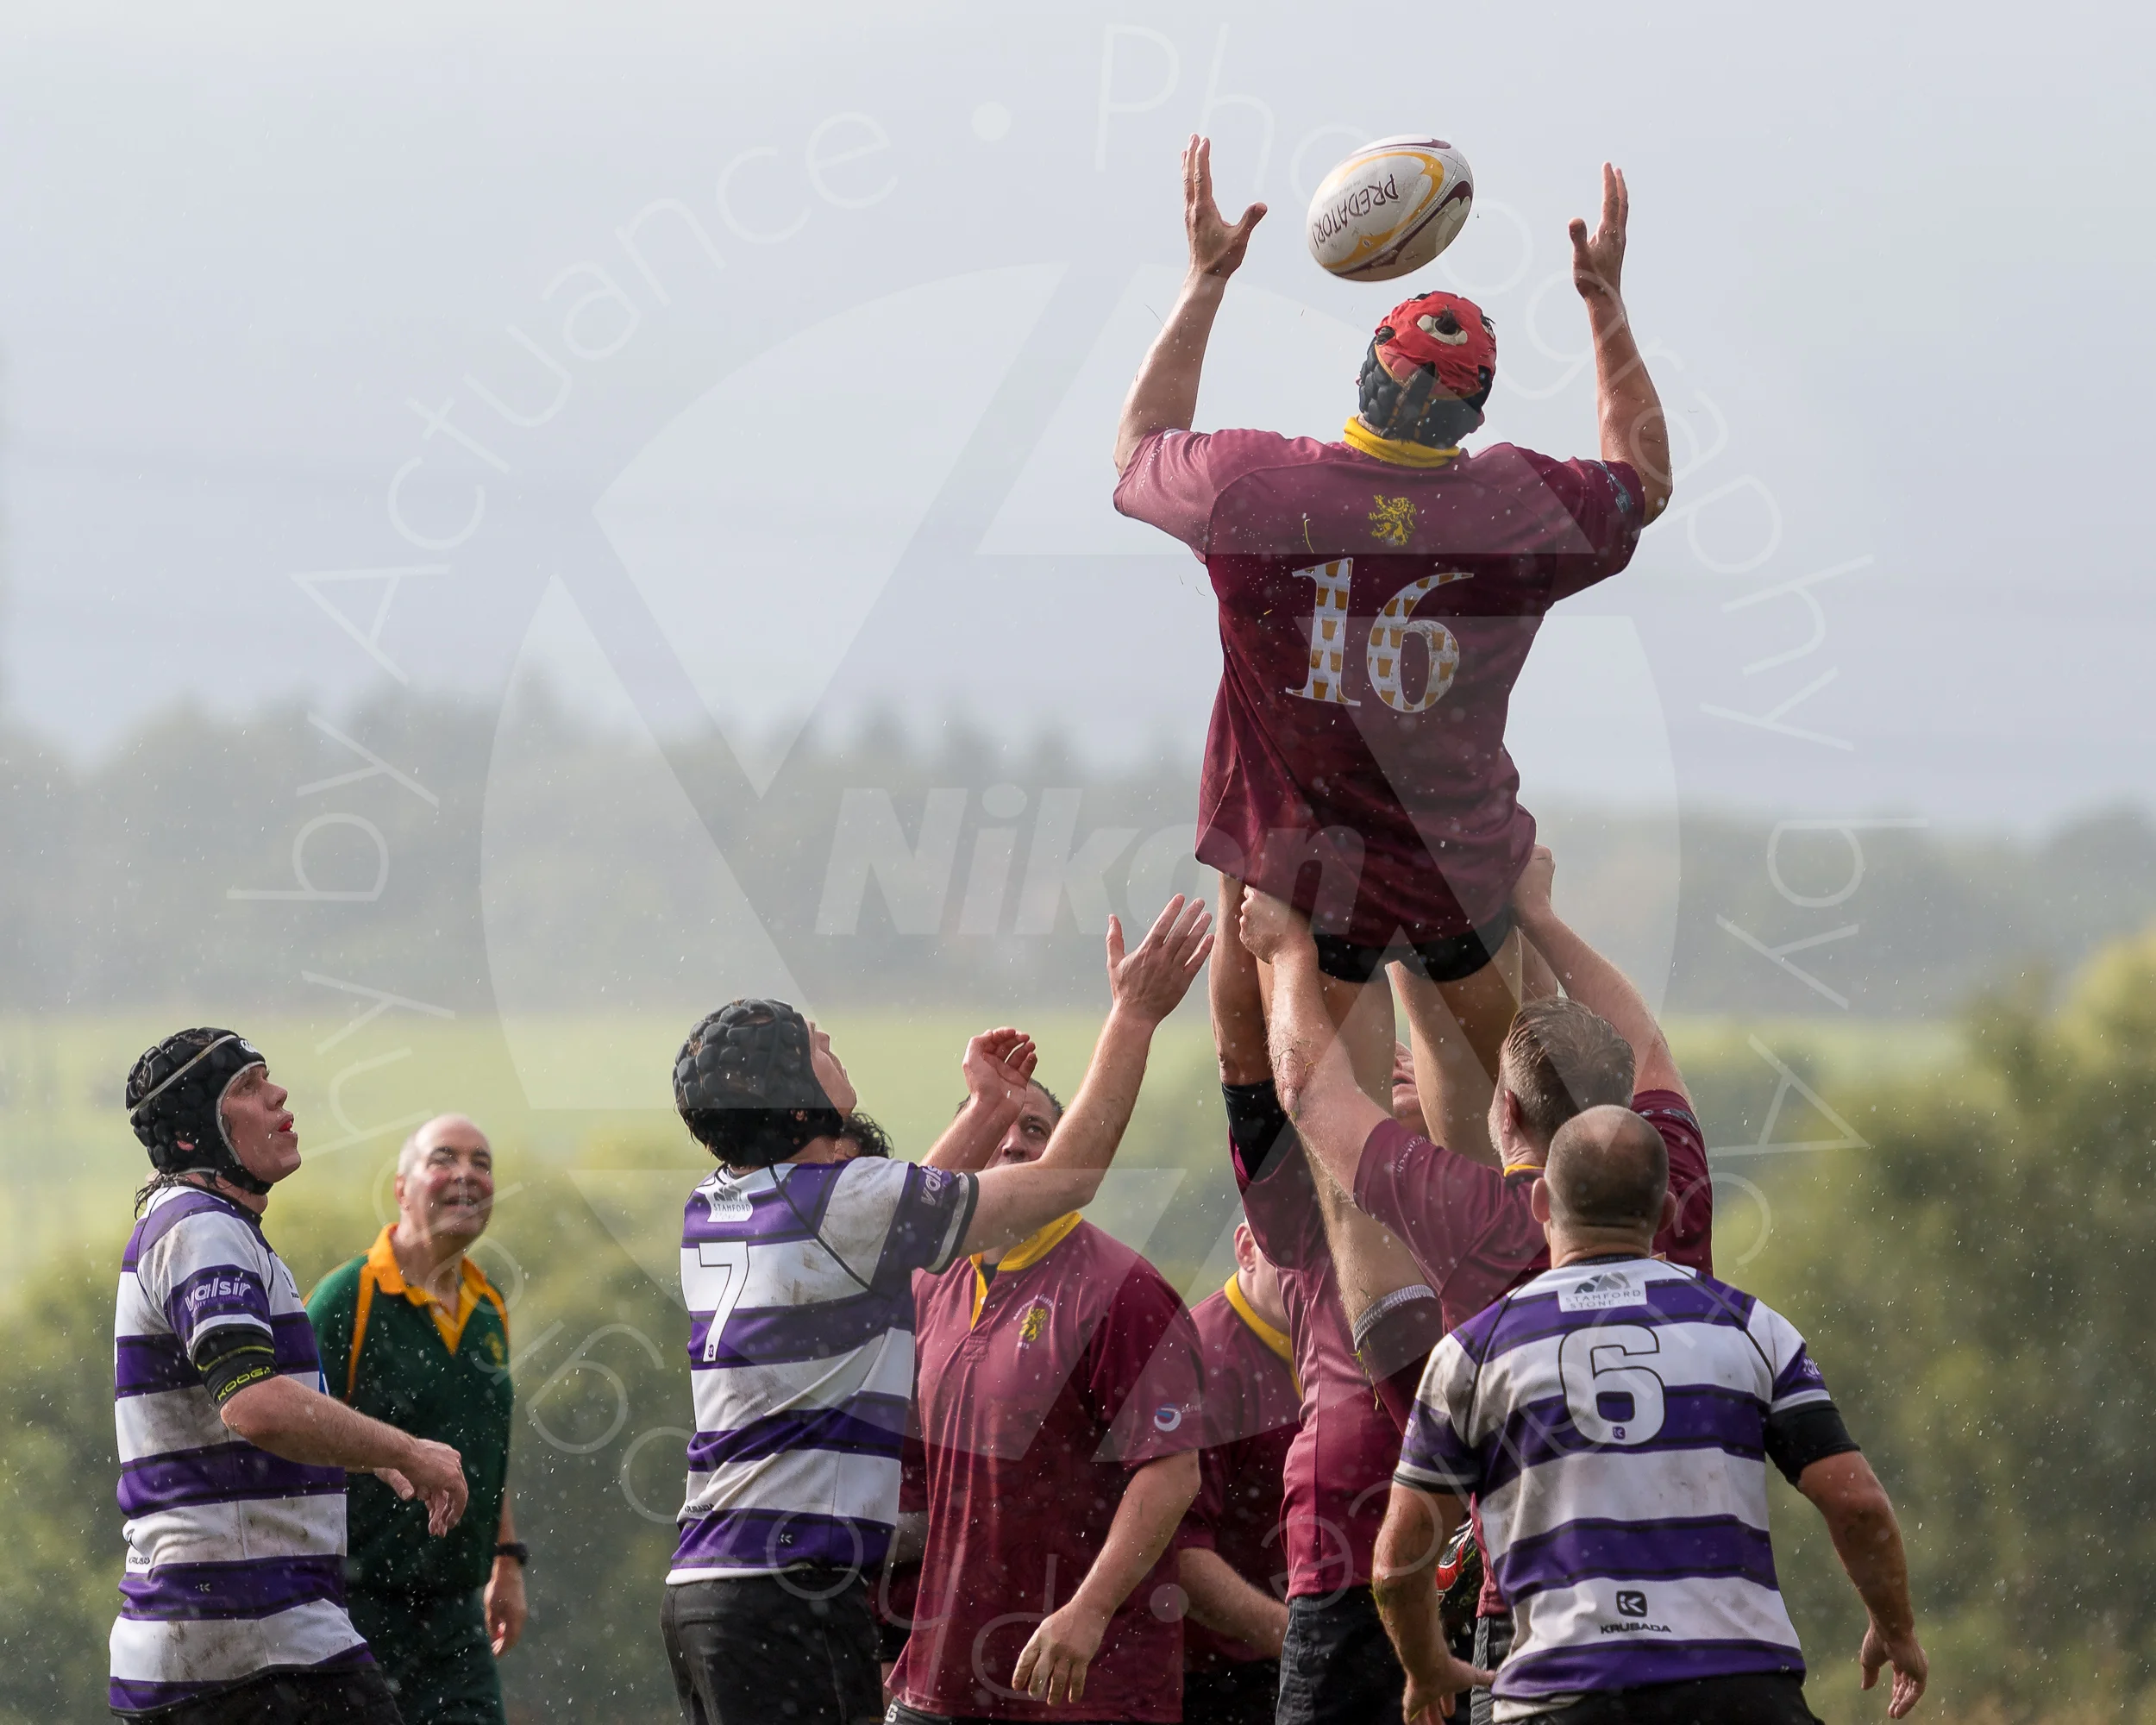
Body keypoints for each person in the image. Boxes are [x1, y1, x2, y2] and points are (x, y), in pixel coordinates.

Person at [1112, 135, 1670, 1164]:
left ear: (1366, 372)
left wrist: (1204, 279)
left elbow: (1139, 441)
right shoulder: (1518, 506)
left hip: (1310, 886)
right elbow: (1643, 479)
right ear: (1476, 409)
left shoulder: (1254, 492)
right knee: (1514, 1166)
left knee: (1358, 1185)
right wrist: (1603, 303)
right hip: (1465, 879)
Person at [661, 897, 1213, 1725]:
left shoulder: (716, 1204)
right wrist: (1135, 1015)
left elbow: (884, 1231)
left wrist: (990, 1110)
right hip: (790, 1598)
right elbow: (1064, 1182)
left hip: (704, 1591)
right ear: (801, 1106)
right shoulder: (844, 1203)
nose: (830, 1042)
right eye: (816, 1046)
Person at [1373, 1107, 1928, 1724]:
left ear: (1541, 1204)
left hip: (1563, 1699)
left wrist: (1425, 1664)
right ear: (1665, 1213)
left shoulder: (1475, 1353)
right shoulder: (1750, 1328)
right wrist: (1894, 1626)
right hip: (1739, 1694)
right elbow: (1857, 1505)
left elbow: (1400, 1558)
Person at [891, 948, 1213, 1725]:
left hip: (1082, 1686)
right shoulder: (928, 1286)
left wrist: (1090, 1610)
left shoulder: (1121, 1289)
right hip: (940, 1682)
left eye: (1036, 1130)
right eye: (997, 1128)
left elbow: (1171, 1473)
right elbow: (910, 1489)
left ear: (1060, 1153)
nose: (1013, 1146)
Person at [111, 1028, 469, 1724]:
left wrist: (367, 1454)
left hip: (226, 1650)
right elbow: (255, 1405)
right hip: (254, 1649)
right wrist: (405, 1450)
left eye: (267, 1078)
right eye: (246, 1088)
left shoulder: (207, 1224)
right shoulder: (202, 1228)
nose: (277, 1095)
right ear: (191, 1135)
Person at [1209, 884, 1429, 1725]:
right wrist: (1237, 887)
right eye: (1381, 1065)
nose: (1398, 1071)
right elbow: (1246, 1062)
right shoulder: (1307, 1209)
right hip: (1344, 1570)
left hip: (1479, 1561)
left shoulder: (1489, 1202)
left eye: (1413, 1064)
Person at [308, 1115, 526, 1725]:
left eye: (482, 1163)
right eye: (444, 1159)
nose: (466, 1175)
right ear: (402, 1188)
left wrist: (506, 1560)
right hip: (353, 1608)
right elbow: (288, 1430)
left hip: (456, 1618)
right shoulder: (346, 1298)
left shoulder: (489, 1306)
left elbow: (486, 1446)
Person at [1177, 1223, 1300, 1725]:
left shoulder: (1349, 1338)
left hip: (1316, 1655)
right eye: (1296, 1252)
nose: (1319, 1273)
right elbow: (1174, 1555)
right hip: (1215, 1680)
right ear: (1247, 1248)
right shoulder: (1199, 1364)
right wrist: (1306, 1641)